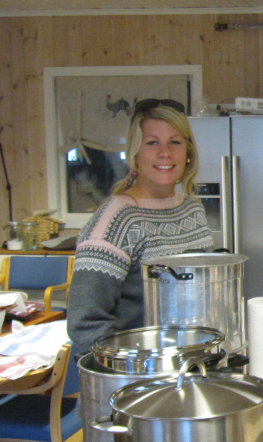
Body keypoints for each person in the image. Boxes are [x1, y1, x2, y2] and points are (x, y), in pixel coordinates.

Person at [68, 99, 214, 358]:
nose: (165, 152)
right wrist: (142, 366)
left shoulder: (192, 209)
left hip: (188, 364)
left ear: (188, 151)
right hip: (135, 381)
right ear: (135, 152)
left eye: (175, 142)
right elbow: (86, 324)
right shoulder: (116, 221)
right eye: (152, 142)